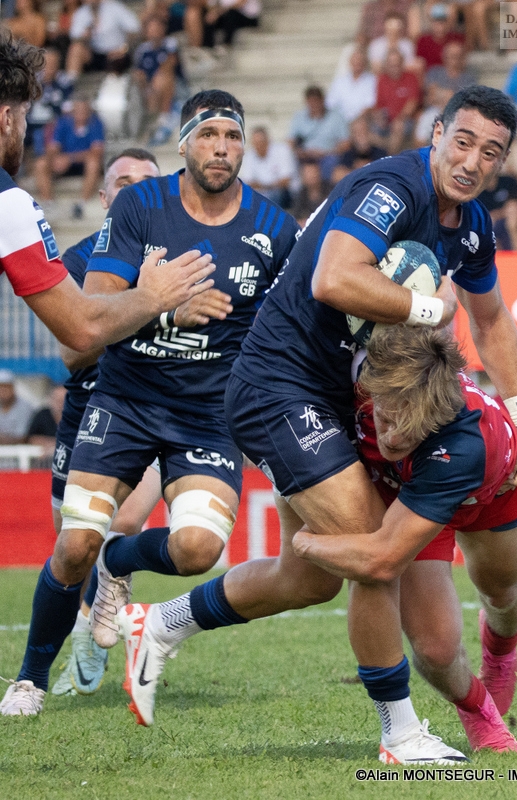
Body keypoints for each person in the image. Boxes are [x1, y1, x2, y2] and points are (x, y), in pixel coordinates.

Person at [116, 86, 517, 765]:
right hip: (278, 385)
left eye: (490, 152)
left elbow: (491, 319)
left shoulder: (472, 225)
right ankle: (400, 734)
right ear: (435, 134)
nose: (472, 161)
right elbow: (333, 279)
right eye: (462, 141)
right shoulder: (393, 188)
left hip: (333, 395)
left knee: (309, 578)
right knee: (372, 546)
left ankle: (161, 623)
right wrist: (431, 310)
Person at [0, 89, 298, 718]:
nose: (221, 148)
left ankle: (121, 557)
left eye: (233, 136)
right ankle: (29, 680)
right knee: (73, 546)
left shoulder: (275, 228)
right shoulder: (140, 206)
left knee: (198, 550)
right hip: (127, 399)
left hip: (209, 414)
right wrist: (164, 307)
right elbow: (90, 320)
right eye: (208, 135)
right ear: (184, 144)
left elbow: (286, 331)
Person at [118, 325, 517, 755]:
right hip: (403, 497)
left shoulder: (464, 444)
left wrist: (309, 545)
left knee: (501, 590)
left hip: (481, 488)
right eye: (386, 419)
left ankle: (501, 650)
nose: (391, 437)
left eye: (408, 429)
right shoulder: (361, 379)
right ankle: (475, 714)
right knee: (435, 648)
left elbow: (383, 558)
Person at [0, 31, 216, 356]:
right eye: (23, 116)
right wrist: (154, 296)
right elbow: (81, 329)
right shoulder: (8, 202)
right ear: (6, 119)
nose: (24, 129)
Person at [49, 148, 165, 698]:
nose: (134, 189)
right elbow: (73, 353)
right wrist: (147, 302)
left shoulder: (189, 251)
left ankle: (108, 601)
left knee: (124, 522)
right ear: (103, 197)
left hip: (155, 410)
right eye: (123, 181)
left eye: (146, 180)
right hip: (86, 410)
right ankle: (84, 630)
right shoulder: (78, 261)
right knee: (72, 546)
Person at [33, 96, 105, 219]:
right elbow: (54, 147)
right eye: (78, 109)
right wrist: (54, 158)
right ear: (73, 111)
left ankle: (81, 204)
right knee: (41, 163)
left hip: (83, 164)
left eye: (84, 110)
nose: (81, 113)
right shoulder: (63, 123)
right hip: (64, 164)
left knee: (94, 162)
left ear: (89, 111)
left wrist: (70, 158)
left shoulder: (96, 123)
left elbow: (97, 151)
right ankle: (48, 204)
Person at [132, 15, 182, 146]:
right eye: (151, 29)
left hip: (176, 86)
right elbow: (139, 71)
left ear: (163, 29)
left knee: (162, 77)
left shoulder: (170, 43)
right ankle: (151, 120)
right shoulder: (142, 50)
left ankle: (164, 115)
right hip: (151, 89)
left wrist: (155, 80)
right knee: (139, 81)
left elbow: (171, 62)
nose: (154, 31)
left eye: (156, 28)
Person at [65, 0, 141, 77]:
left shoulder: (114, 7)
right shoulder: (81, 13)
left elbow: (134, 29)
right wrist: (85, 37)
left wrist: (124, 48)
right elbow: (74, 37)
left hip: (117, 52)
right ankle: (71, 80)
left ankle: (115, 80)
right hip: (95, 54)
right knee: (76, 49)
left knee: (117, 59)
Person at [239, 125, 297, 208]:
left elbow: (286, 181)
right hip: (262, 193)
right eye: (256, 143)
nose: (258, 146)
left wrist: (263, 186)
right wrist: (267, 186)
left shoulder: (282, 150)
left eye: (261, 142)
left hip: (286, 193)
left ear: (268, 140)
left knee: (274, 196)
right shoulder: (249, 155)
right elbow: (248, 183)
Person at [325, 47, 377, 125]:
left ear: (365, 63)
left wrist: (355, 122)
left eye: (360, 61)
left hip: (362, 122)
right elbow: (330, 103)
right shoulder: (339, 81)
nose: (357, 63)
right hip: (340, 121)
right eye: (355, 60)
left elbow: (370, 105)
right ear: (350, 62)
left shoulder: (372, 81)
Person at [27, 384, 67, 456]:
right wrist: (53, 443)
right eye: (57, 400)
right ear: (51, 399)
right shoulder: (42, 415)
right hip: (43, 458)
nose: (60, 404)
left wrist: (55, 444)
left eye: (63, 400)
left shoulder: (77, 417)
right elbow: (31, 438)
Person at [0, 369, 34, 444]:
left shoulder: (25, 407)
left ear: (13, 388)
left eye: (6, 387)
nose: (3, 391)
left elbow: (22, 438)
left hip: (18, 449)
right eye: (0, 387)